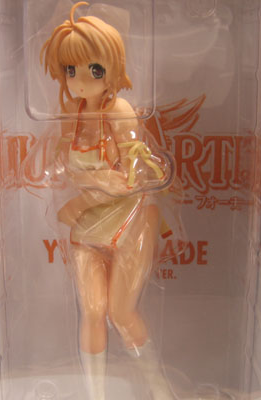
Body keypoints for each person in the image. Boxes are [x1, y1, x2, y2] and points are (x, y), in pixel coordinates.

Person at [41, 2, 176, 399]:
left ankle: (160, 391)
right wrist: (91, 184)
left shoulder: (119, 111)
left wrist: (93, 189)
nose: (80, 81)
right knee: (93, 311)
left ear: (112, 69)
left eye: (94, 70)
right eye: (71, 70)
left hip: (130, 219)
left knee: (121, 312)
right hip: (88, 225)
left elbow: (133, 178)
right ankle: (96, 394)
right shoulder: (72, 113)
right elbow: (63, 170)